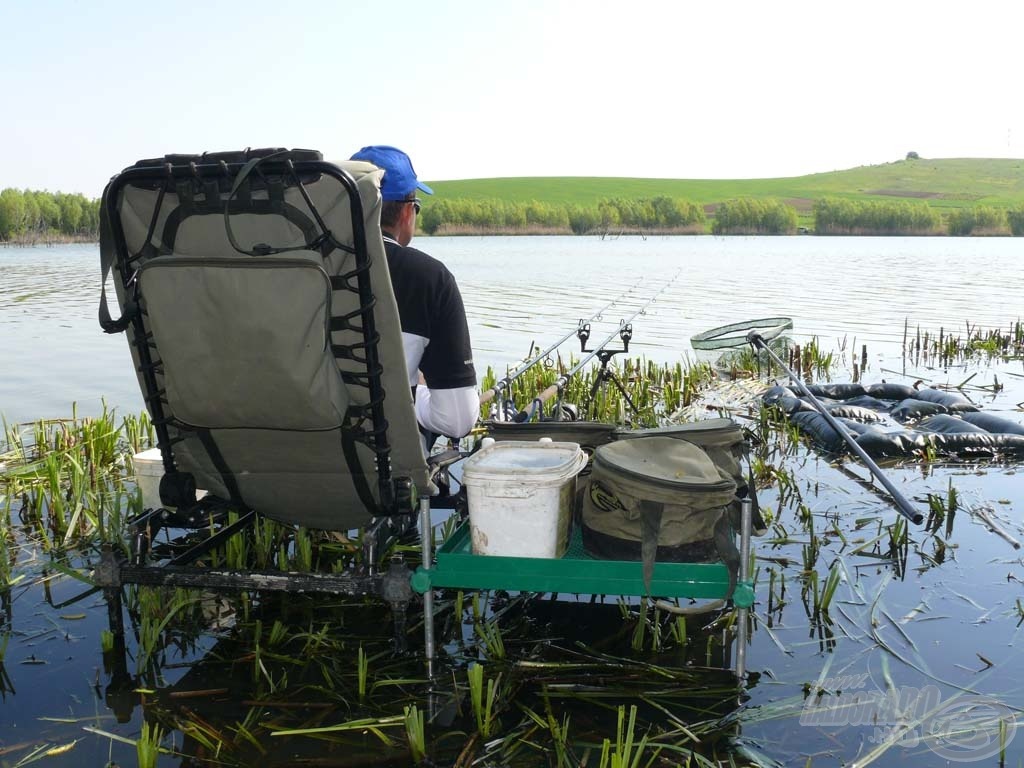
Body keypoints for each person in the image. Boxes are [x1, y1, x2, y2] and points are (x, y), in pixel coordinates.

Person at [349, 145, 479, 442]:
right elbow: (457, 421)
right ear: (408, 211)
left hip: (269, 469)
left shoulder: (294, 271)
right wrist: (416, 391)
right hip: (383, 473)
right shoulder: (430, 280)